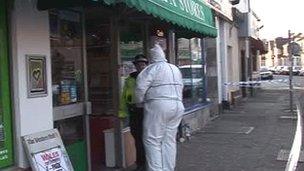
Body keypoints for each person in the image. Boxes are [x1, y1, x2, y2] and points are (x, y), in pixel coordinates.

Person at [135, 44, 184, 171]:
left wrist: (139, 102)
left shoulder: (151, 69)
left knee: (152, 140)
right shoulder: (174, 68)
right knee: (169, 140)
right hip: (177, 106)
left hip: (158, 105)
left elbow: (140, 88)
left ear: (152, 58)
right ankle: (168, 168)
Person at [119, 54, 148, 170]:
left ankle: (150, 163)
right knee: (138, 138)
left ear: (146, 65)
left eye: (143, 64)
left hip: (148, 112)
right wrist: (122, 113)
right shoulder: (130, 79)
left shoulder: (150, 77)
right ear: (135, 66)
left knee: (148, 139)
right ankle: (141, 164)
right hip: (135, 112)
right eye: (139, 64)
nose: (141, 66)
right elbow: (124, 97)